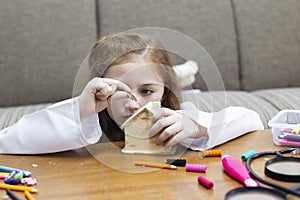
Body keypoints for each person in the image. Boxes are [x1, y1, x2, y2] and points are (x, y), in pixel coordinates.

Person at [0, 34, 264, 154]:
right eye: (119, 90)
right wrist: (79, 110)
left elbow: (251, 119)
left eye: (147, 90)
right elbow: (6, 142)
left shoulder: (178, 121)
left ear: (165, 90)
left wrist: (198, 128)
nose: (133, 103)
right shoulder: (82, 121)